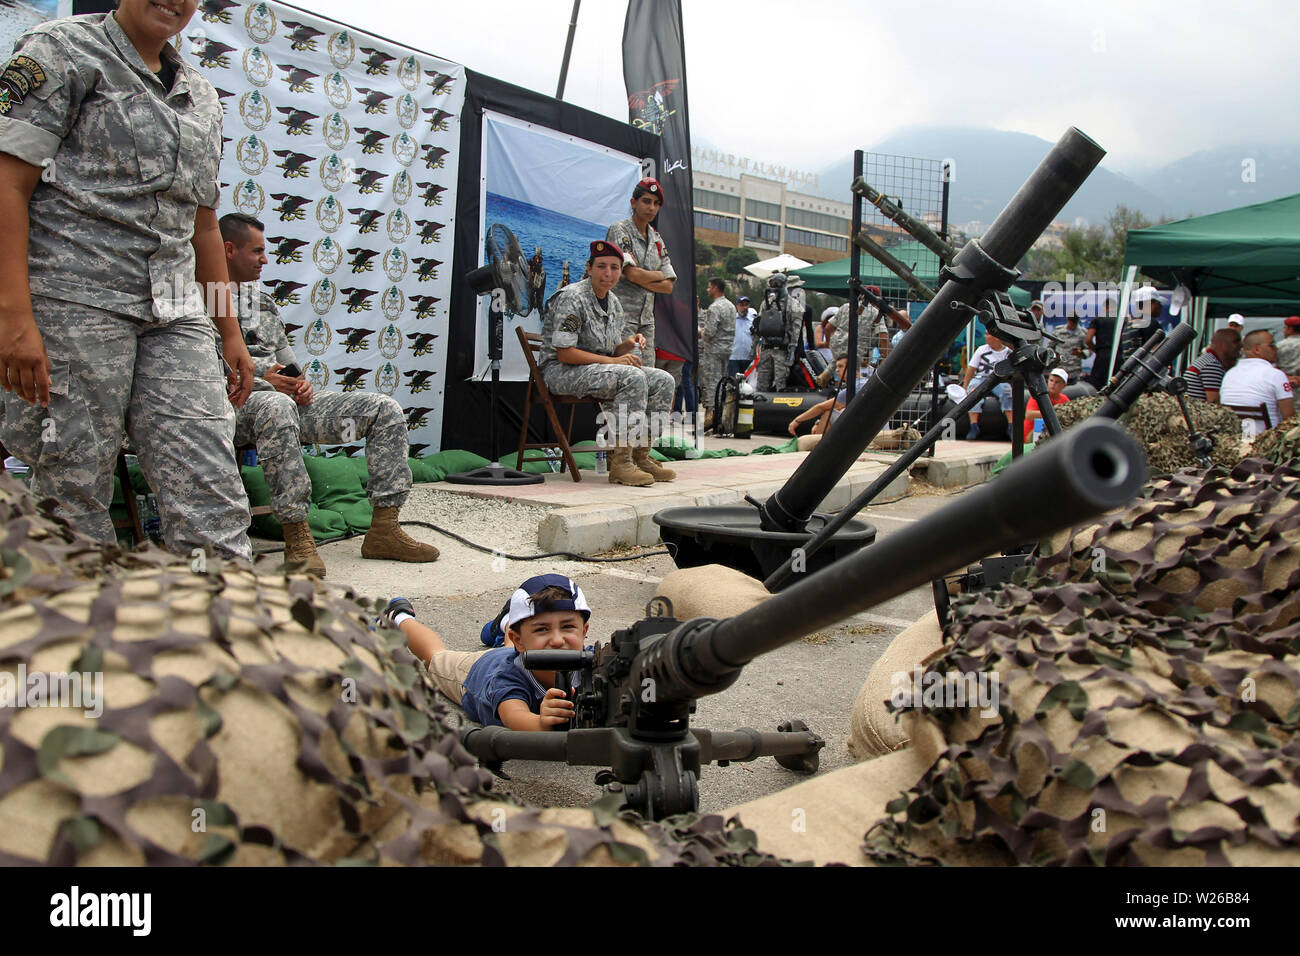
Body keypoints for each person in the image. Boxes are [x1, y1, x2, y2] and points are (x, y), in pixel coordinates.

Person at [0, 1, 257, 560]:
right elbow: (7, 185)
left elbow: (205, 226)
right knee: (70, 487)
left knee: (211, 485)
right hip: (72, 301)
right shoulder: (61, 50)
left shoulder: (201, 94)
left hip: (173, 311)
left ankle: (221, 634)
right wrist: (14, 318)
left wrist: (229, 331)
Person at [220, 214, 439, 577]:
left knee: (382, 409)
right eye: (257, 251)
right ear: (228, 250)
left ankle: (384, 529)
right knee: (275, 406)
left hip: (286, 403)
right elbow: (200, 374)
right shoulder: (198, 301)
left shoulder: (261, 302)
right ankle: (297, 538)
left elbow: (288, 364)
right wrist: (264, 381)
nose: (265, 260)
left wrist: (300, 382)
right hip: (233, 407)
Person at [540, 240, 676, 487]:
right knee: (631, 376)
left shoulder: (613, 301)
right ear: (589, 268)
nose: (608, 273)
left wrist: (629, 343)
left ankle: (640, 455)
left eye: (615, 267)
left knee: (663, 380)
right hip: (561, 371)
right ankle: (621, 463)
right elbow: (565, 353)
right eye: (602, 266)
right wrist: (614, 360)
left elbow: (611, 347)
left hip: (595, 368)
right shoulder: (572, 298)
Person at [385, 575, 592, 730]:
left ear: (584, 631)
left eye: (567, 627)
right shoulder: (507, 677)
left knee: (516, 649)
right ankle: (399, 617)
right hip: (479, 670)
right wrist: (541, 722)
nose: (557, 640)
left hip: (517, 651)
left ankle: (505, 622)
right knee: (435, 657)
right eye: (542, 629)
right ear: (519, 639)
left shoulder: (595, 662)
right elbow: (514, 717)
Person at [606, 178, 675, 368]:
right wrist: (659, 274)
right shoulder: (620, 230)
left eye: (656, 203)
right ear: (633, 202)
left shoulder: (657, 239)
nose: (651, 207)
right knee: (624, 374)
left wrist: (643, 275)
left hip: (646, 320)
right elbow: (631, 274)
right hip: (621, 316)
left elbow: (669, 286)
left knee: (648, 376)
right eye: (646, 201)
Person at [1220, 330, 1294, 436]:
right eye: (1272, 345)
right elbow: (1289, 418)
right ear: (1257, 349)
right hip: (1266, 444)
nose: (1276, 348)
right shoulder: (1275, 375)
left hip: (1235, 442)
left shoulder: (1229, 374)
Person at [962, 331, 1014, 440]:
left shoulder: (1008, 353)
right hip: (981, 378)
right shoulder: (981, 350)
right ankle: (973, 426)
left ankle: (1011, 426)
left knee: (1008, 392)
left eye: (988, 334)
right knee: (973, 392)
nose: (985, 336)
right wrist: (965, 387)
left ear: (997, 338)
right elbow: (971, 369)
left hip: (999, 380)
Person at [699, 277, 736, 405]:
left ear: (715, 288)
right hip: (727, 349)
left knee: (711, 382)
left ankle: (712, 411)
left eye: (709, 287)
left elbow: (709, 333)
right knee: (722, 381)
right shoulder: (731, 306)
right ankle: (722, 408)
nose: (708, 290)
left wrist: (700, 332)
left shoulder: (714, 307)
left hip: (713, 350)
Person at [1183, 328, 1241, 403]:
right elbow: (1214, 402)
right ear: (1222, 344)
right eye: (1236, 341)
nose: (1240, 345)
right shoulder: (1212, 365)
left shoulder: (1208, 359)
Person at [1023, 367, 1071, 441]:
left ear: (1064, 385)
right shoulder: (1038, 396)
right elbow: (1029, 415)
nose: (1053, 384)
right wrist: (1054, 412)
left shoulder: (1064, 399)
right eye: (1051, 380)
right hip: (1030, 437)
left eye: (1057, 382)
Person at [1054, 312, 1089, 382]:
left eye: (1075, 322)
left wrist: (1082, 353)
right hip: (1059, 368)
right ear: (1067, 320)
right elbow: (1050, 347)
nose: (1073, 324)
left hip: (1074, 370)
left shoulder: (1082, 333)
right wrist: (1054, 356)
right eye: (1071, 322)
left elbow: (1089, 349)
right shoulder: (1058, 332)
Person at [729, 295, 757, 377]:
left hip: (749, 357)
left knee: (748, 385)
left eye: (746, 305)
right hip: (734, 357)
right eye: (741, 305)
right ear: (737, 306)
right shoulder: (732, 320)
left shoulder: (753, 320)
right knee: (734, 384)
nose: (744, 308)